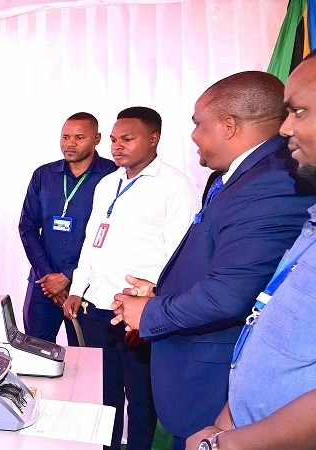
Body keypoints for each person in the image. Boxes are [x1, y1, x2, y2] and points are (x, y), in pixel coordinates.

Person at [111, 71, 316, 450]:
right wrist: (160, 291)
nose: (193, 136)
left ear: (228, 125)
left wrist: (150, 313)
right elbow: (231, 263)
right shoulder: (233, 178)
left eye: (197, 125)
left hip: (215, 386)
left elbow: (232, 294)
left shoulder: (275, 181)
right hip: (207, 392)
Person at [184, 56, 316, 450]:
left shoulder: (273, 182)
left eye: (299, 111)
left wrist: (226, 445)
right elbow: (268, 320)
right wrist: (227, 423)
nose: (285, 127)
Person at [63, 107, 200, 450]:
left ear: (153, 139)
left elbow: (179, 257)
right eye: (113, 140)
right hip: (96, 308)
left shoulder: (175, 186)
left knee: (141, 399)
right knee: (103, 394)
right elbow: (91, 240)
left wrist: (152, 308)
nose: (117, 146)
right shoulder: (107, 183)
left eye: (127, 139)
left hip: (136, 314)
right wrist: (78, 288)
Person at [19, 112, 117, 344]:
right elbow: (27, 226)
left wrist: (68, 276)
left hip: (90, 287)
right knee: (36, 353)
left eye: (79, 137)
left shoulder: (113, 176)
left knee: (88, 358)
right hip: (43, 286)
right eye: (65, 137)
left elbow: (115, 236)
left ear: (97, 138)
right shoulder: (44, 175)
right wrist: (47, 276)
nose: (70, 143)